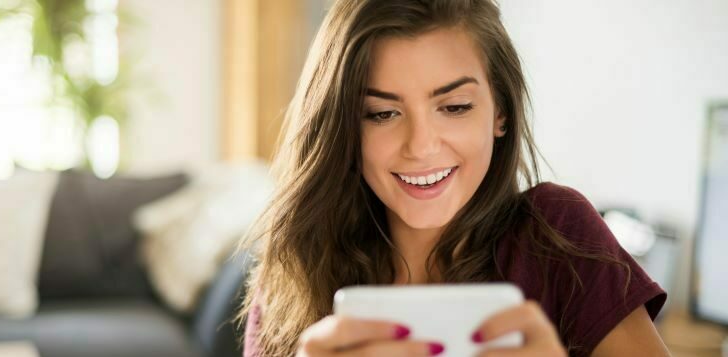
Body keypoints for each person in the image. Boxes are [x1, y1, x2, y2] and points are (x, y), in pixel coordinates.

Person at [237, 0, 670, 356]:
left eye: (455, 106)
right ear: (346, 128)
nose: (421, 146)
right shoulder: (294, 271)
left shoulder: (559, 234)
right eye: (382, 113)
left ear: (499, 112)